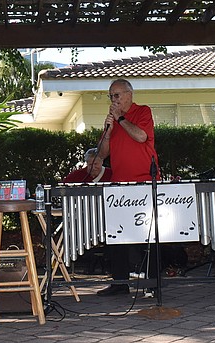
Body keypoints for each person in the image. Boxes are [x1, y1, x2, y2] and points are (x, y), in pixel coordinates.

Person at [95, 78, 159, 296]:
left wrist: (121, 119)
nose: (113, 100)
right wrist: (109, 130)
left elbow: (141, 136)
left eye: (116, 95)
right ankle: (120, 282)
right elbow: (102, 154)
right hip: (119, 185)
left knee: (148, 232)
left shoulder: (142, 112)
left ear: (129, 94)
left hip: (143, 182)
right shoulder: (113, 121)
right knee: (117, 235)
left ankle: (152, 282)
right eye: (110, 96)